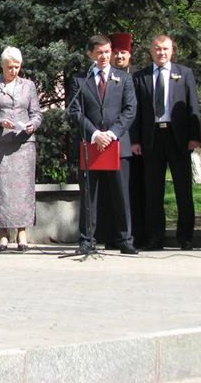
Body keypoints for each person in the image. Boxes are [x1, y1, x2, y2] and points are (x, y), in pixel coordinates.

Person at [68, 35, 138, 255]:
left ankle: (125, 239)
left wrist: (112, 133)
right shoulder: (80, 80)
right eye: (100, 52)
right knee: (90, 194)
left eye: (107, 51)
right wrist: (95, 133)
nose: (105, 56)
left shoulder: (123, 78)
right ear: (90, 54)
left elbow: (130, 110)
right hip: (91, 145)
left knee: (121, 194)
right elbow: (75, 111)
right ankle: (87, 239)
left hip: (117, 144)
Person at [131, 35, 201, 251]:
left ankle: (186, 237)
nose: (161, 53)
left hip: (177, 137)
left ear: (172, 51)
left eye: (165, 49)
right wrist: (135, 140)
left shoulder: (184, 73)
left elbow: (193, 107)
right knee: (153, 192)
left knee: (183, 190)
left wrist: (194, 137)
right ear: (151, 51)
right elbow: (135, 112)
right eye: (157, 49)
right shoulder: (140, 77)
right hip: (151, 139)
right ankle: (155, 238)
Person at [0, 47, 42, 251]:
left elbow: (37, 113)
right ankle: (3, 234)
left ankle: (22, 232)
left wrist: (33, 124)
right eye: (10, 67)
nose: (14, 70)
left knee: (23, 191)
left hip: (23, 145)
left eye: (17, 67)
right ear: (2, 66)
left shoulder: (28, 85)